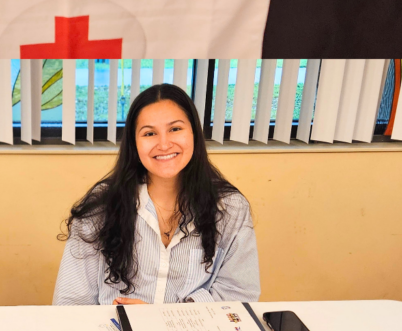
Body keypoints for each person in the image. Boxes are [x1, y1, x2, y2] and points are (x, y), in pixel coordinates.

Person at [52, 83, 260, 304]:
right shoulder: (100, 207)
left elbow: (239, 295)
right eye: (149, 133)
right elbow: (70, 301)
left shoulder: (230, 208)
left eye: (175, 129)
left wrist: (162, 318)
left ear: (194, 134)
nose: (164, 144)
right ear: (134, 143)